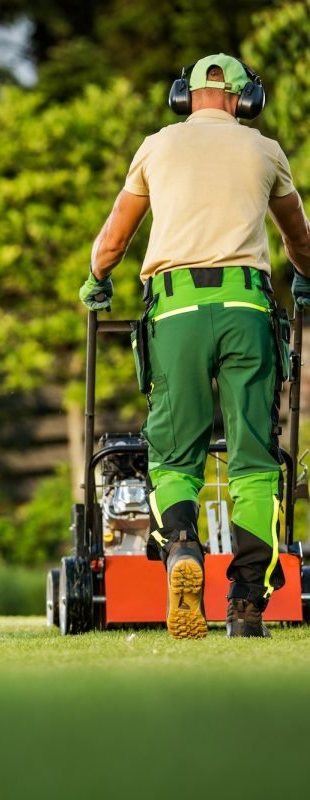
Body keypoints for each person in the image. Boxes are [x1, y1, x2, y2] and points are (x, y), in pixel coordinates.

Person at [79, 53, 310, 639]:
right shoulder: (266, 150)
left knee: (173, 454)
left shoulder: (156, 147)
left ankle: (182, 546)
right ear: (243, 98)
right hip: (247, 309)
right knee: (255, 463)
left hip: (175, 310)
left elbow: (113, 239)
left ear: (185, 97)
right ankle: (246, 603)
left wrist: (99, 279)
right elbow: (299, 239)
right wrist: (305, 274)